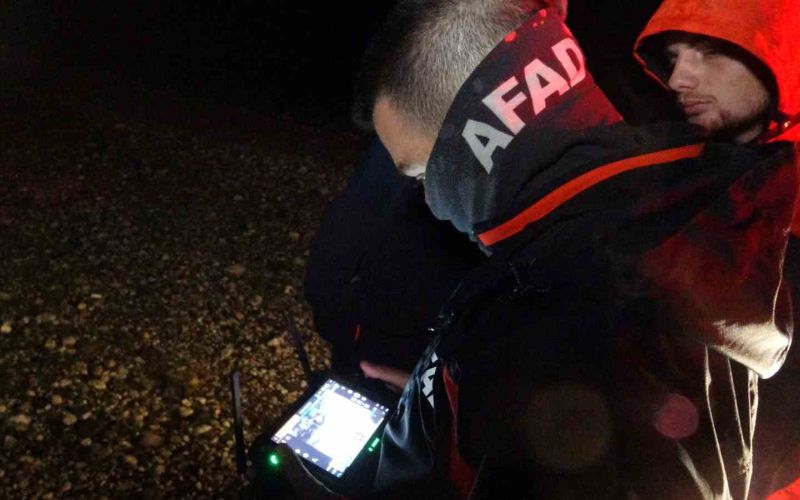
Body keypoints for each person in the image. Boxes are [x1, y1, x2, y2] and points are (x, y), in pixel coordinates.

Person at [277, 0, 795, 498]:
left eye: (420, 175)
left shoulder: (573, 319)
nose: (431, 203)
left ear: (479, 140)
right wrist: (437, 405)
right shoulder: (649, 217)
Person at [633, 1, 800, 497]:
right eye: (673, 59)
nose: (678, 79)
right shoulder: (669, 176)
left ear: (780, 53)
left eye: (708, 52)